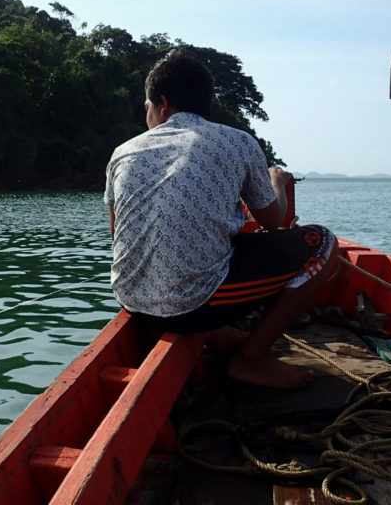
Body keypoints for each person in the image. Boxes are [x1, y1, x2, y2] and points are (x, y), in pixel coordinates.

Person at [104, 49, 337, 389]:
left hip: (131, 300)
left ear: (163, 105)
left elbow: (117, 236)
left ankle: (219, 335)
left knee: (211, 245)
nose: (147, 115)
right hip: (188, 308)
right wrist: (277, 181)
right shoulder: (237, 142)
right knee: (325, 244)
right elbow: (275, 221)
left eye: (147, 108)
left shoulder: (122, 152)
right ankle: (251, 359)